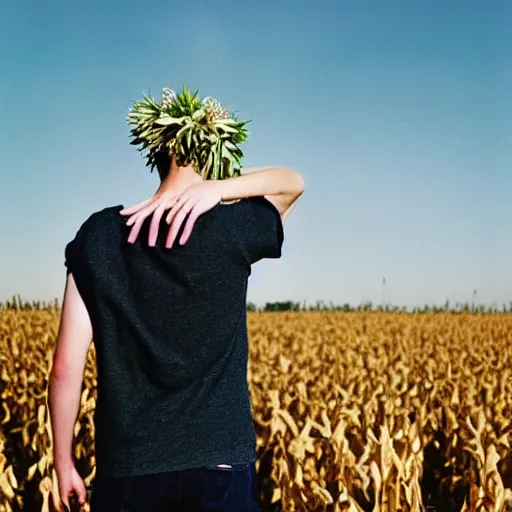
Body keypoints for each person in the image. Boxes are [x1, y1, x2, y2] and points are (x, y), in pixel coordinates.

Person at [48, 88, 304, 512]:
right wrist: (221, 191)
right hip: (219, 461)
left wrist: (63, 464)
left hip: (128, 468)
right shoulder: (233, 227)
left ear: (157, 148)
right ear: (215, 149)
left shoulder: (98, 236)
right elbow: (292, 183)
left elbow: (64, 369)